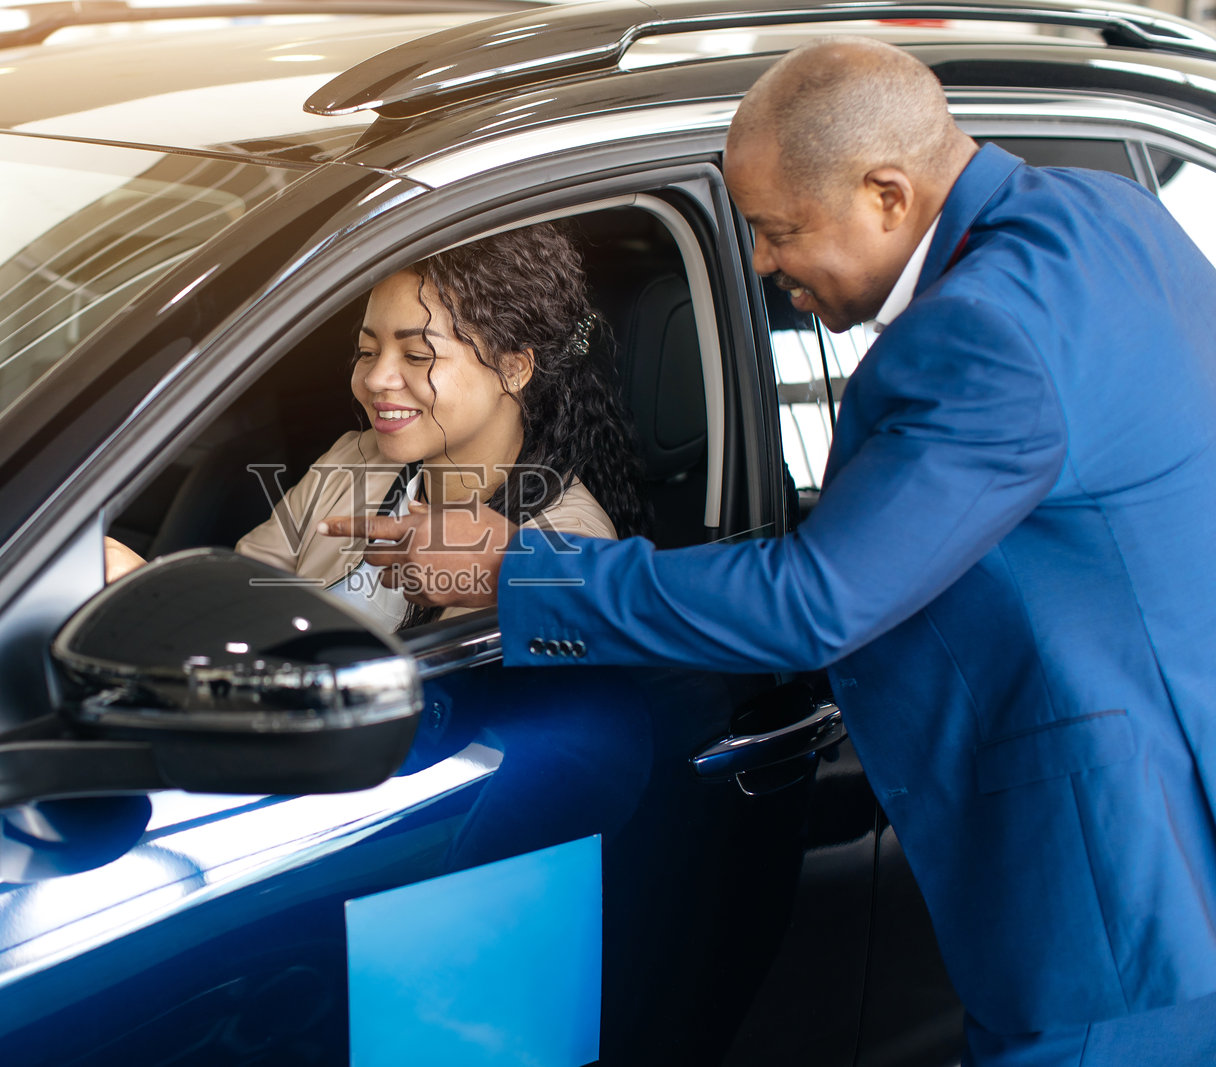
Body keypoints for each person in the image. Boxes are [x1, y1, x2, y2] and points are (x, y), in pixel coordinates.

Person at [326, 38, 1216, 1066]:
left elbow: (815, 600)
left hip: (1111, 885)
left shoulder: (981, 333)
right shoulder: (1110, 214)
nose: (757, 263)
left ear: (887, 193)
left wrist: (507, 572)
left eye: (775, 229)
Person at [109, 222, 645, 631]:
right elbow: (246, 598)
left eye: (416, 355)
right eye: (368, 350)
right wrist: (150, 592)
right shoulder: (354, 459)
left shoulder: (558, 543)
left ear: (513, 368)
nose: (375, 378)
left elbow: (451, 717)